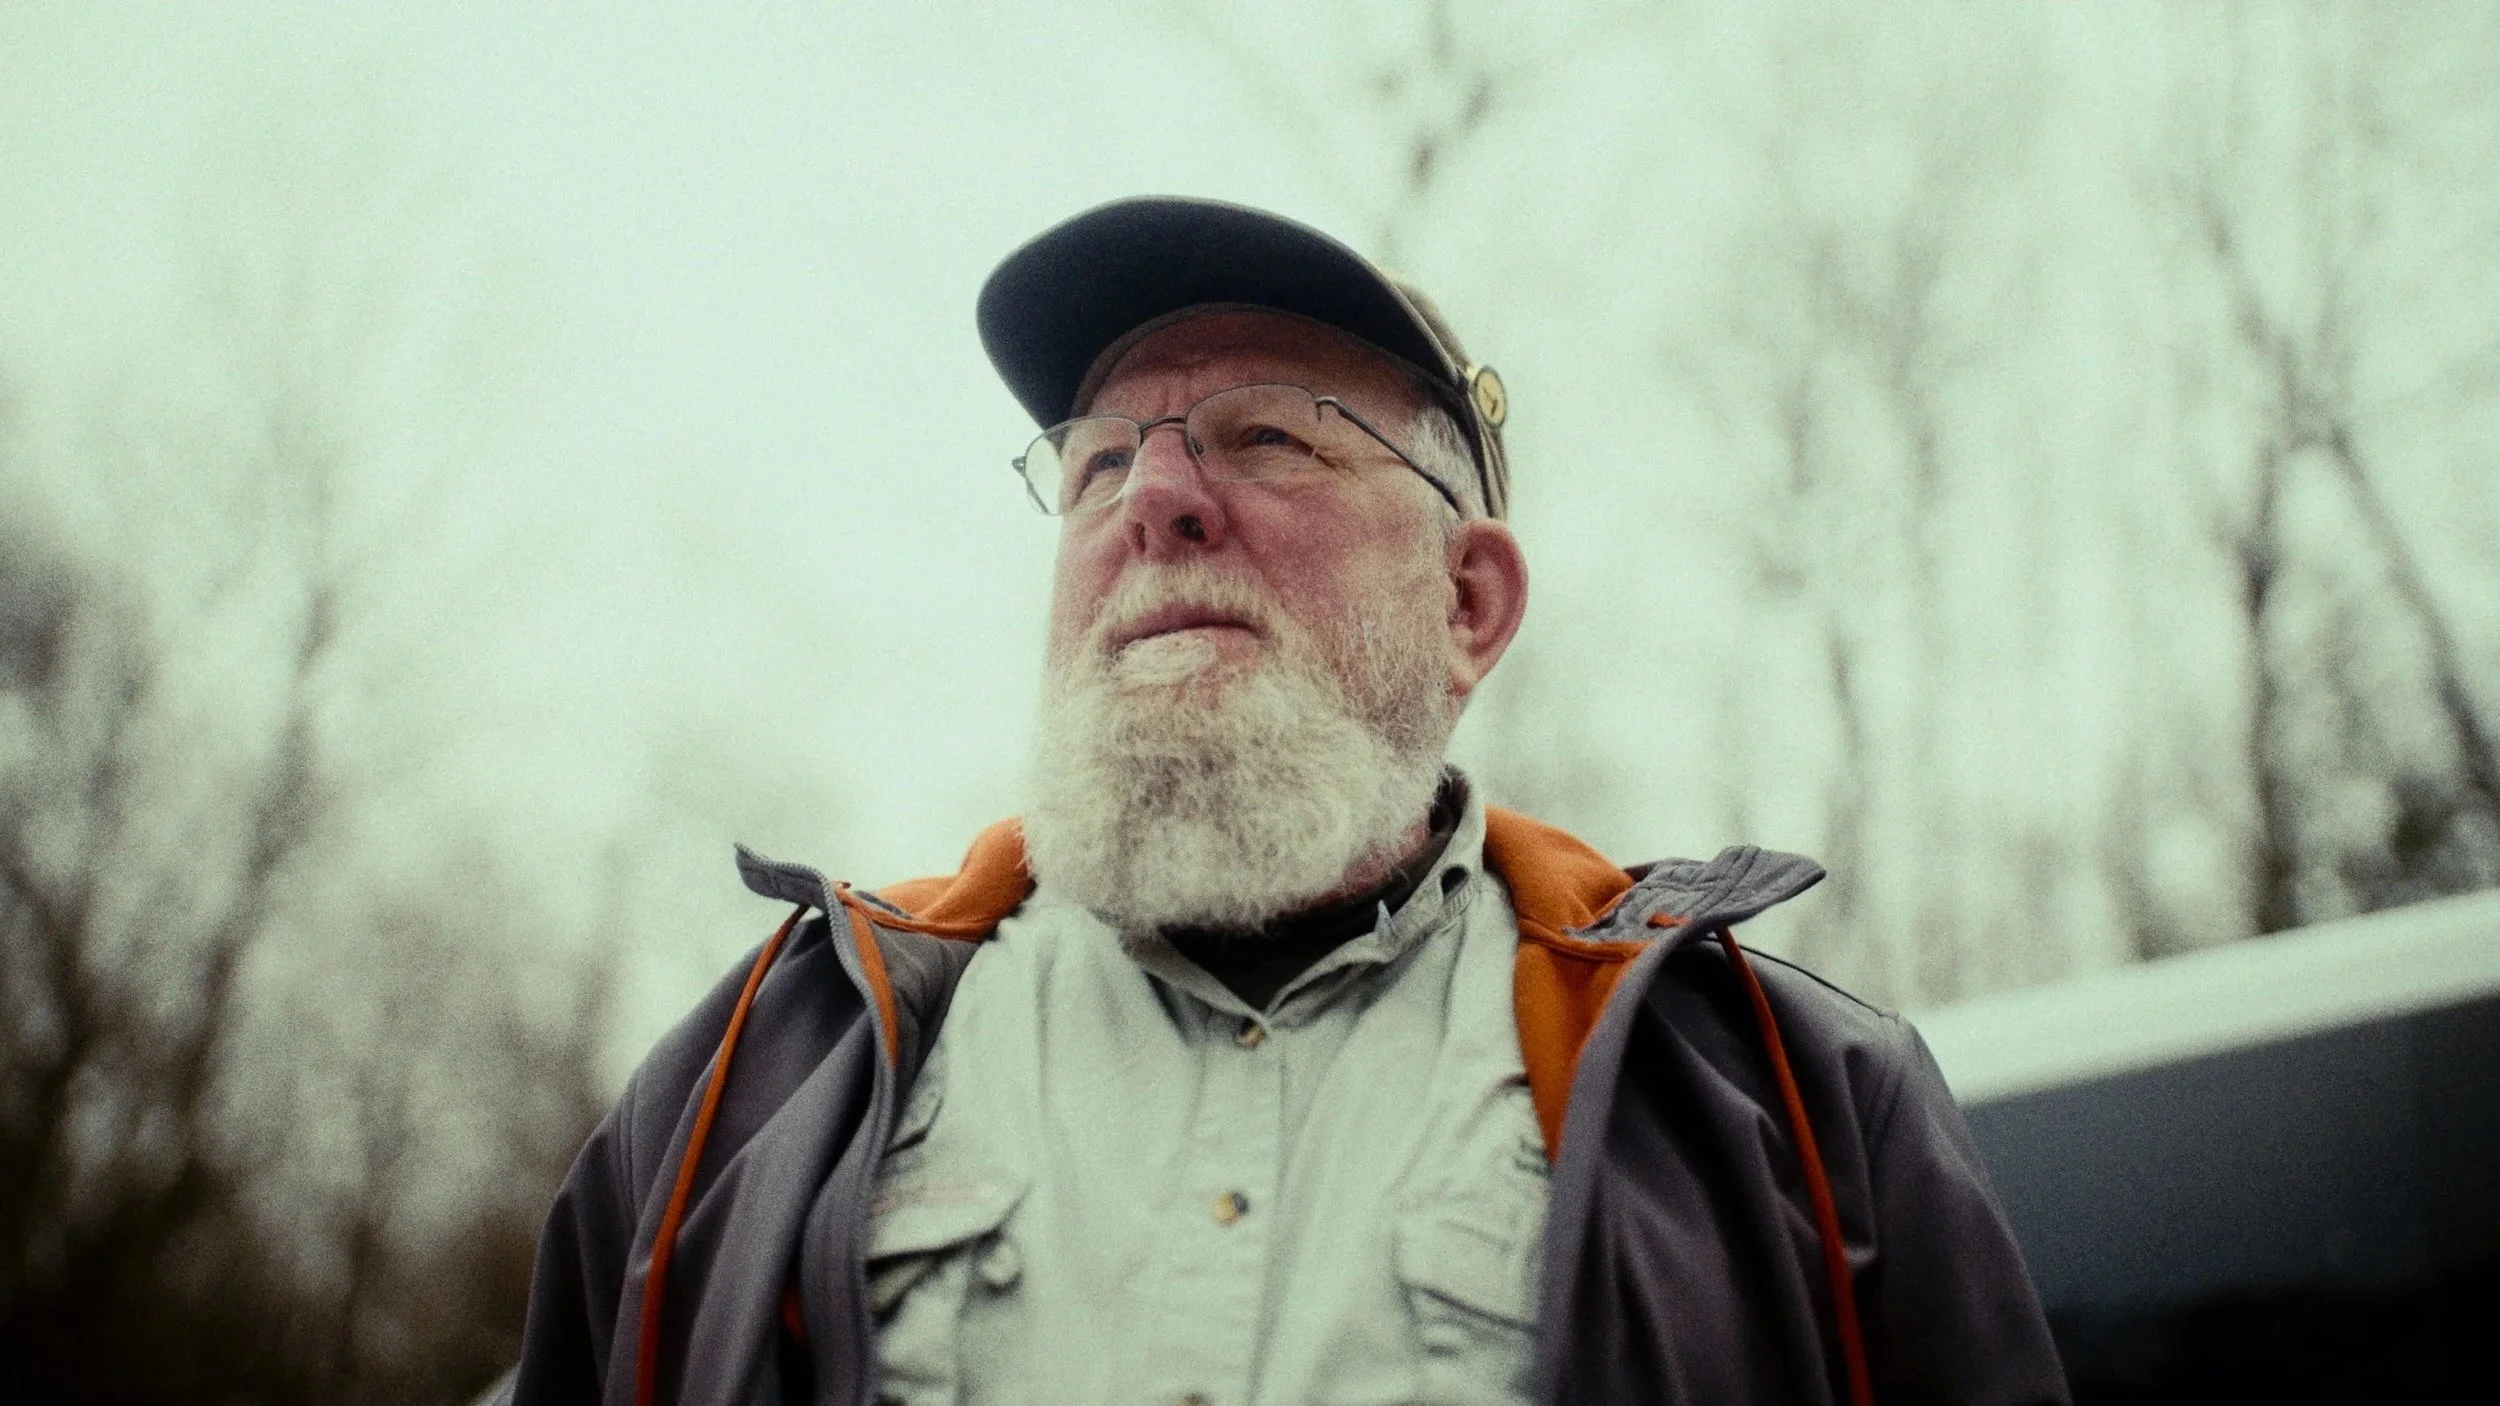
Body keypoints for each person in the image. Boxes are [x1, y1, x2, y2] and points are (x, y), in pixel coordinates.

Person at [507, 197, 2068, 1406]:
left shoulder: (1797, 1107)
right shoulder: (753, 1079)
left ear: (1467, 604)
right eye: (1099, 460)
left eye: (1265, 434)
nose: (1156, 500)